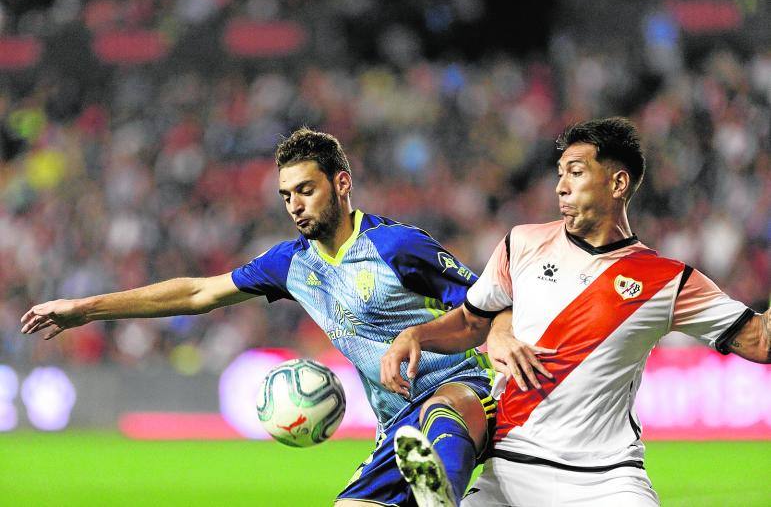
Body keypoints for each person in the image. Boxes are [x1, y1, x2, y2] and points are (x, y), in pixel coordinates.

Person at [20, 127, 549, 507]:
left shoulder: (397, 245)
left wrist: (500, 337)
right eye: (286, 195)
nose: (295, 204)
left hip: (465, 395)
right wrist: (87, 309)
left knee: (443, 413)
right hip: (396, 430)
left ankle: (444, 497)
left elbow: (488, 298)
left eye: (306, 189)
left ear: (341, 184)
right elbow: (199, 292)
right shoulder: (290, 264)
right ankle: (429, 487)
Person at [381, 117, 770, 506]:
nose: (560, 186)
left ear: (617, 184)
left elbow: (761, 341)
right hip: (513, 467)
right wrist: (416, 335)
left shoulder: (668, 280)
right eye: (560, 173)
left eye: (576, 172)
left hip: (609, 479)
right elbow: (471, 321)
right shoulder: (522, 244)